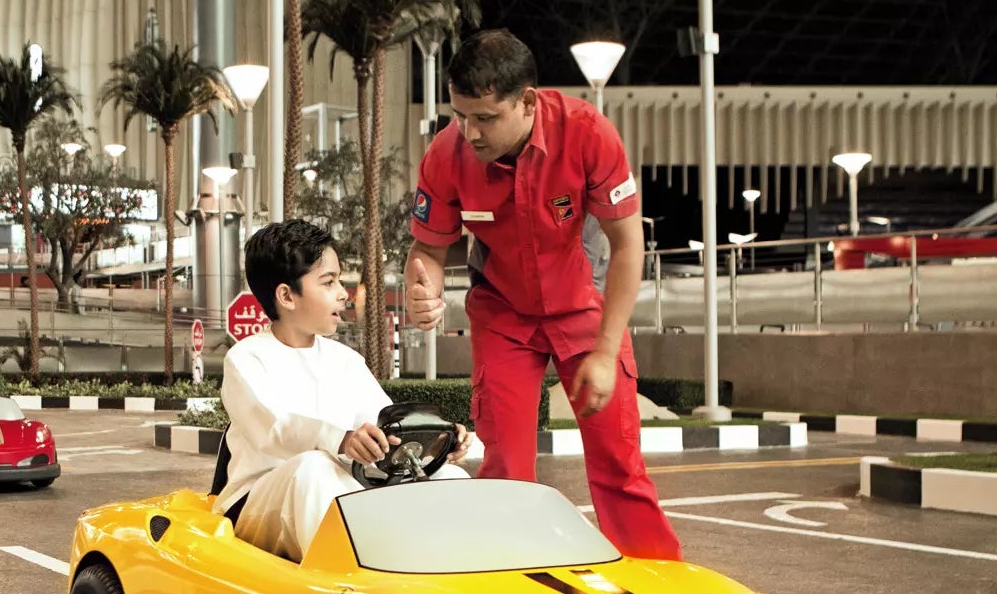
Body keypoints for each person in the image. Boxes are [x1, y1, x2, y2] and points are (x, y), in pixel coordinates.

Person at [403, 29, 682, 561]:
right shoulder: (447, 154)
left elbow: (628, 245)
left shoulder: (588, 133)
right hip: (504, 315)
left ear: (527, 101)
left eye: (485, 118)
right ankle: (513, 582)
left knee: (619, 466)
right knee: (505, 467)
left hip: (586, 308)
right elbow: (428, 250)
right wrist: (425, 288)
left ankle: (663, 584)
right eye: (461, 115)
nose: (470, 132)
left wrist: (605, 350)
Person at [219, 220, 471, 563]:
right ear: (286, 296)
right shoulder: (246, 359)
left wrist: (435, 443)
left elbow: (384, 426)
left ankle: (457, 573)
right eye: (329, 282)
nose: (343, 292)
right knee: (313, 467)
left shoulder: (345, 360)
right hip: (258, 503)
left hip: (341, 489)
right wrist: (341, 438)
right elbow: (273, 429)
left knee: (449, 477)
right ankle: (353, 585)